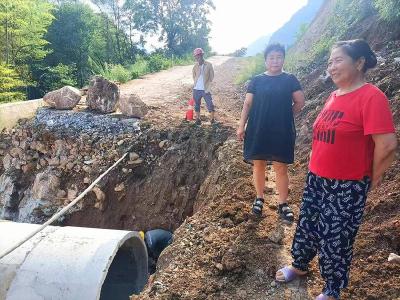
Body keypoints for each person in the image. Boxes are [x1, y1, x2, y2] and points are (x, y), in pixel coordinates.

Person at [275, 39, 397, 300]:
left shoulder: (371, 97)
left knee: (335, 240)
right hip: (317, 178)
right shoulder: (334, 96)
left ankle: (331, 289)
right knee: (307, 225)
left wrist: (369, 180)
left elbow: (386, 146)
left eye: (338, 60)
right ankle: (299, 265)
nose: (331, 66)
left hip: (347, 184)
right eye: (330, 62)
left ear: (359, 62)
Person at [237, 43, 305, 222]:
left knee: (280, 167)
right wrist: (241, 125)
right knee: (258, 164)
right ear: (266, 60)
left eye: (279, 57)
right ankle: (259, 198)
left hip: (281, 130)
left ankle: (283, 203)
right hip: (258, 127)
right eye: (272, 57)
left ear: (283, 58)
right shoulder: (257, 80)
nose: (275, 61)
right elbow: (247, 104)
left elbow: (299, 102)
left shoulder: (290, 79)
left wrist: (285, 114)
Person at [192, 47, 215, 125]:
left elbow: (212, 77)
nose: (197, 57)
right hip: (196, 89)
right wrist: (196, 84)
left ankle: (212, 120)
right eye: (196, 56)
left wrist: (208, 85)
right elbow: (194, 76)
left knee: (210, 104)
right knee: (197, 105)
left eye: (199, 55)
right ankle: (198, 119)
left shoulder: (209, 65)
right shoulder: (195, 66)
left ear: (202, 55)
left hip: (205, 89)